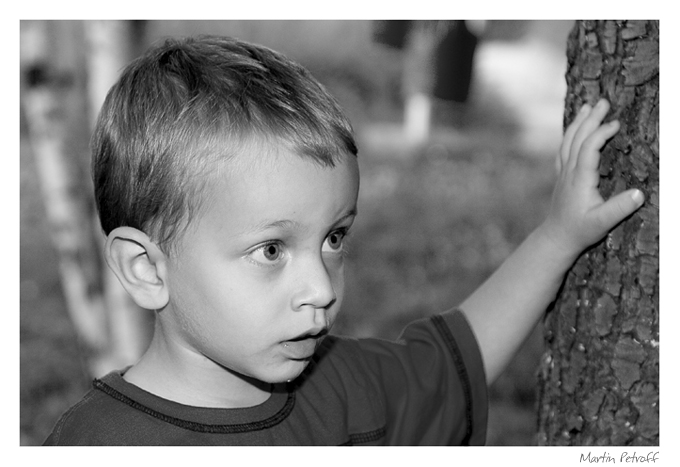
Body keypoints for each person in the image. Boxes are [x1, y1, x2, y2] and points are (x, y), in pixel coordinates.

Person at [43, 35, 644, 446]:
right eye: (271, 250)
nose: (321, 289)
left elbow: (459, 357)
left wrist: (559, 235)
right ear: (146, 269)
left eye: (333, 238)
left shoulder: (347, 393)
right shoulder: (94, 443)